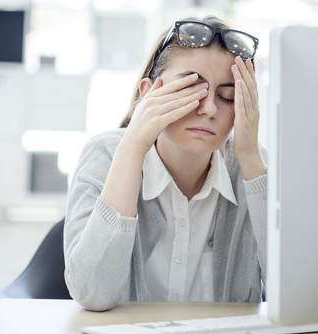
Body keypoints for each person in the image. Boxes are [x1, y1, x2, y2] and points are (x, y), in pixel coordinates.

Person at [63, 15, 268, 311]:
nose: (209, 108)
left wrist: (251, 161)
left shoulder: (255, 166)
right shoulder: (105, 154)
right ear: (148, 93)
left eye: (227, 97)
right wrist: (133, 145)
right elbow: (93, 293)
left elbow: (298, 295)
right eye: (190, 88)